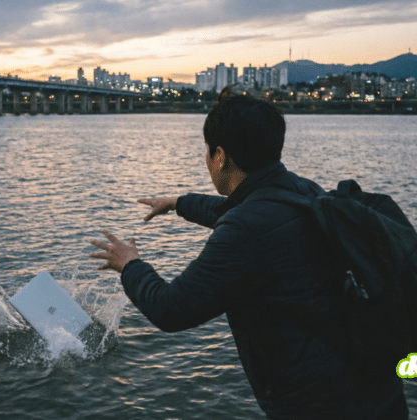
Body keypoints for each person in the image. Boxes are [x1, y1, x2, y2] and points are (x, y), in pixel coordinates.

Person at [89, 93, 408, 419]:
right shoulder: (303, 190)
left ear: (220, 156)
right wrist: (177, 202)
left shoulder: (247, 228)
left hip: (322, 406)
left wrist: (130, 264)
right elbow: (236, 210)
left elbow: (171, 308)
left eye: (207, 151)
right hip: (375, 391)